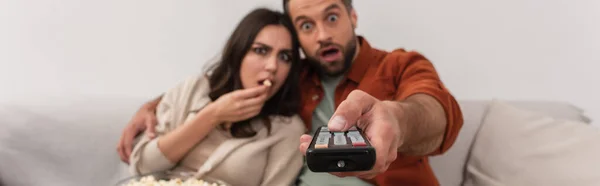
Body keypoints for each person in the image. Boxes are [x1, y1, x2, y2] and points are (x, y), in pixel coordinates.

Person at [118, 0, 464, 185]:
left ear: (353, 15)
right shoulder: (291, 81)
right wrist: (151, 105)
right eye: (307, 26)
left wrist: (399, 120)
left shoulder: (399, 65)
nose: (322, 35)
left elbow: (437, 114)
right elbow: (220, 84)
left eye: (332, 17)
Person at [121, 8, 306, 186]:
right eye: (261, 51)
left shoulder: (289, 131)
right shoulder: (192, 89)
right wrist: (212, 115)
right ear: (238, 52)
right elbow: (142, 166)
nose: (273, 66)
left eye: (285, 57)